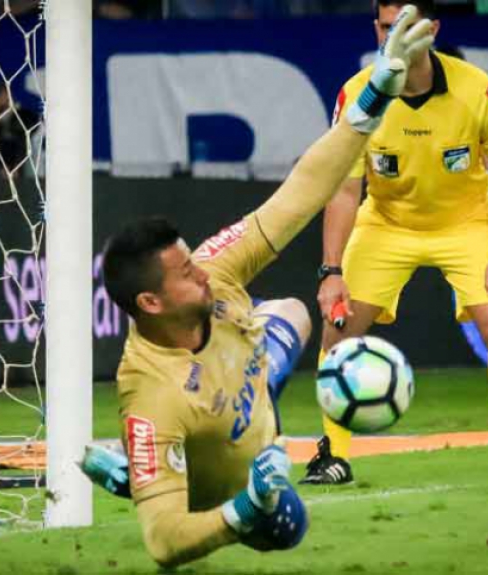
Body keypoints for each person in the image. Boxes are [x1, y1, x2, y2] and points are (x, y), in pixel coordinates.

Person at [88, 8, 435, 567]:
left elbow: (300, 192)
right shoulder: (151, 396)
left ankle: (240, 408)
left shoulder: (211, 268)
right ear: (150, 303)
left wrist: (371, 100)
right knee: (286, 526)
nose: (202, 271)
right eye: (184, 275)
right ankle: (162, 477)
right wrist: (243, 509)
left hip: (242, 384)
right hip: (225, 483)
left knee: (295, 311)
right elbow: (162, 544)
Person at [303, 0, 488, 488]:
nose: (397, 40)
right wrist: (331, 271)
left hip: (467, 221)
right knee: (338, 326)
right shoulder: (360, 95)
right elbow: (346, 188)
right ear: (376, 29)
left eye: (408, 29)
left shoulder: (476, 89)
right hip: (386, 223)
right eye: (389, 29)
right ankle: (332, 455)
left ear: (431, 29)